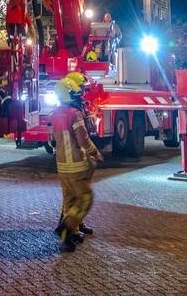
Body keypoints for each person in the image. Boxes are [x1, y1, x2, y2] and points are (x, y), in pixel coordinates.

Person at [50, 77, 103, 252]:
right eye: (76, 92)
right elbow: (83, 138)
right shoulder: (74, 113)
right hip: (77, 165)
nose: (79, 94)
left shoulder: (54, 114)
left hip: (61, 166)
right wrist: (94, 152)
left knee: (68, 200)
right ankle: (66, 227)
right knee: (85, 199)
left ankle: (69, 235)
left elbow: (51, 141)